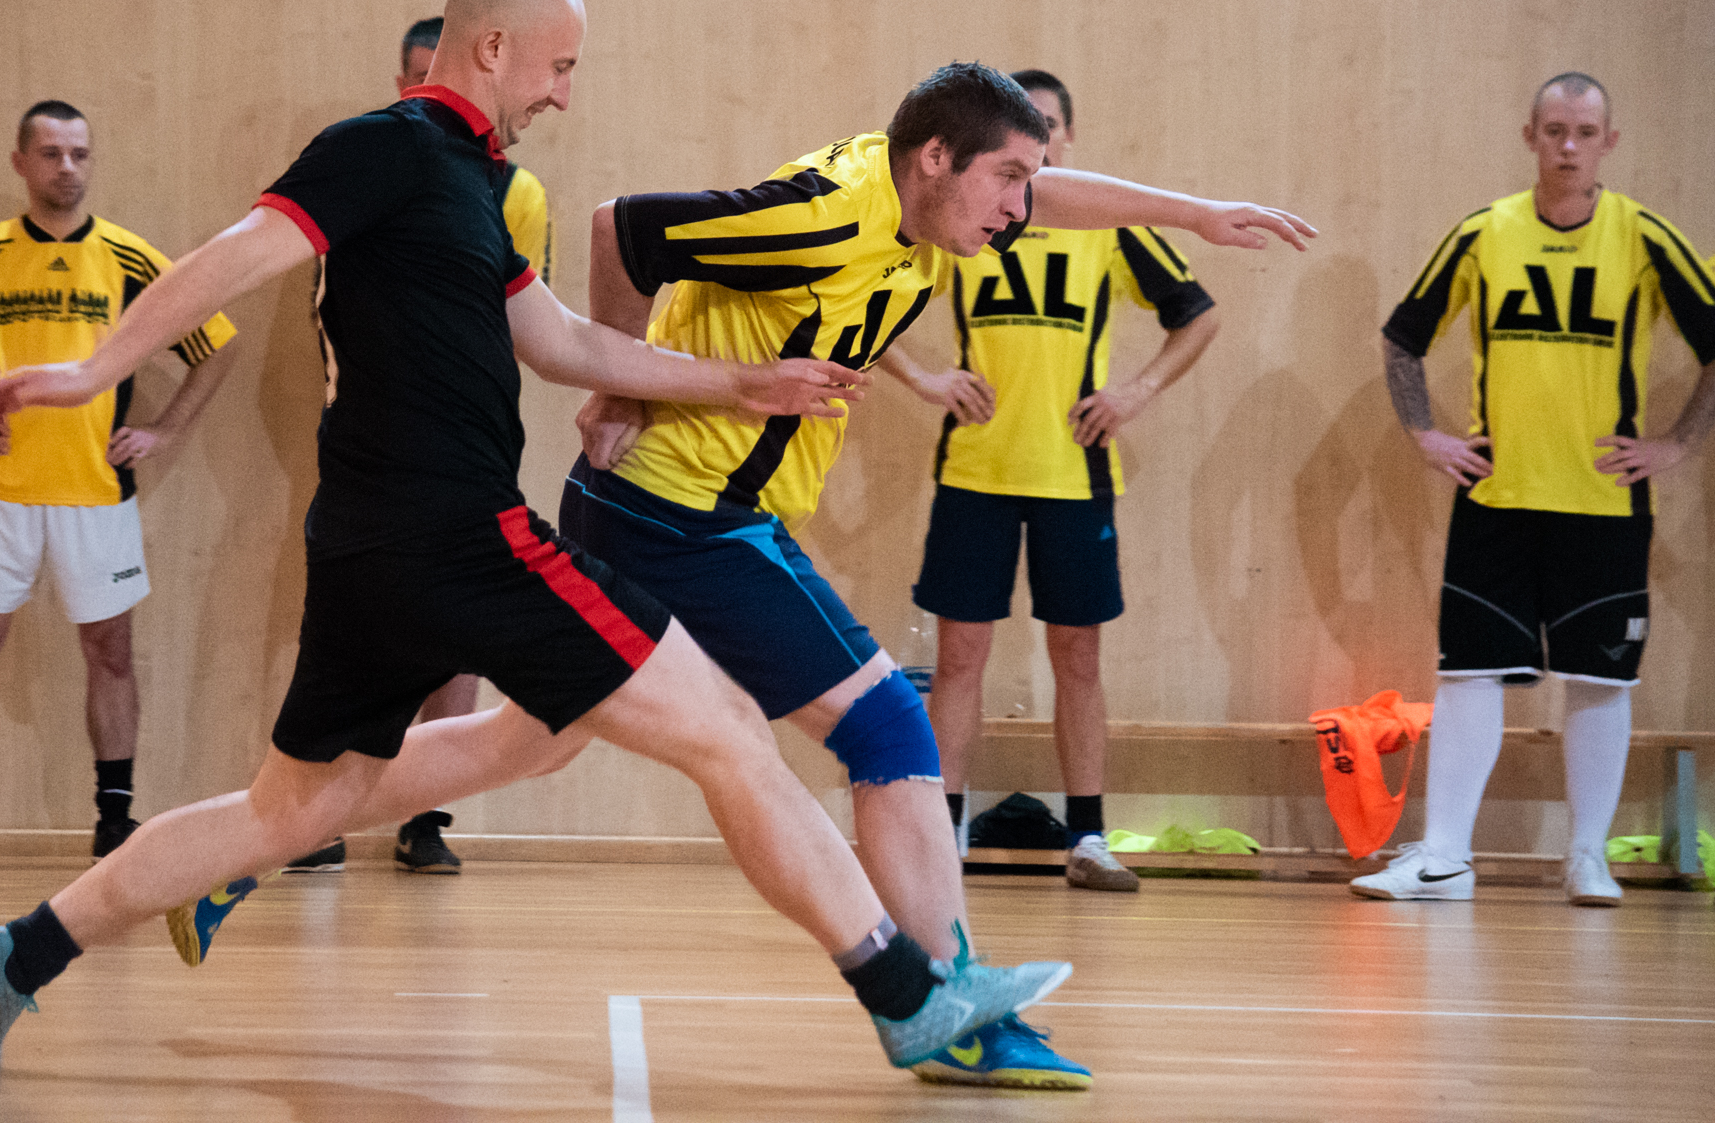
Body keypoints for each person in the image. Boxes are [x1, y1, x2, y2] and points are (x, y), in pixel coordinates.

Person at [0, 0, 1067, 1073]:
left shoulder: (474, 185)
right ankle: (906, 995)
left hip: (371, 550)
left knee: (288, 811)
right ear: (491, 47)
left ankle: (11, 956)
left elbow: (561, 341)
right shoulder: (383, 147)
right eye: (558, 66)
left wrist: (738, 383)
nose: (563, 93)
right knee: (726, 727)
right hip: (459, 538)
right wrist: (93, 370)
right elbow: (240, 253)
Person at [557, 61, 1310, 1088]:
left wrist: (1195, 214)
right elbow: (620, 228)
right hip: (677, 514)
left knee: (531, 741)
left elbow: (1055, 198)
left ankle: (302, 810)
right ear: (936, 158)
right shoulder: (826, 218)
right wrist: (616, 382)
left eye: (1027, 181)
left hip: (693, 512)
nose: (1019, 206)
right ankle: (950, 1004)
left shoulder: (925, 206)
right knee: (886, 726)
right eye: (1007, 178)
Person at [1352, 72, 1715, 906]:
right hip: (1498, 498)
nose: (1568, 147)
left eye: (1585, 133)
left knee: (1601, 678)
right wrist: (1424, 432)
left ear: (1609, 143)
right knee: (1469, 673)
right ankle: (1445, 858)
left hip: (1603, 503)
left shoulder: (1645, 236)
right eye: (1554, 131)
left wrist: (1678, 442)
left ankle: (1587, 856)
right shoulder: (1485, 232)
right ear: (1530, 137)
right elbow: (1403, 338)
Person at [0, 100, 237, 870]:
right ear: (21, 162)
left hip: (97, 494)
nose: (67, 167)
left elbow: (217, 344)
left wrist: (165, 430)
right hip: (0, 489)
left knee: (112, 652)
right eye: (52, 153)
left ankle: (115, 823)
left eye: (79, 153)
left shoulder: (130, 259)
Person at [881, 69, 1220, 896]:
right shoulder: (960, 216)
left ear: (1065, 139)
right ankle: (943, 832)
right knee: (960, 656)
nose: (1038, 139)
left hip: (1075, 473)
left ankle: (1089, 836)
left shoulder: (1108, 228)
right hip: (976, 470)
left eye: (1050, 124)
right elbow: (868, 295)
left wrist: (1135, 392)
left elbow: (1198, 313)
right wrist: (924, 379)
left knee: (1079, 655)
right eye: (1023, 125)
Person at [284, 15, 559, 875]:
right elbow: (324, 296)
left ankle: (421, 818)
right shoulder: (373, 159)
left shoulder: (512, 190)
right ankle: (300, 820)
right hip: (376, 465)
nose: (418, 88)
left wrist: (728, 380)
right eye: (409, 74)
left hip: (468, 464)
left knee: (461, 651)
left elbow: (533, 329)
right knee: (358, 646)